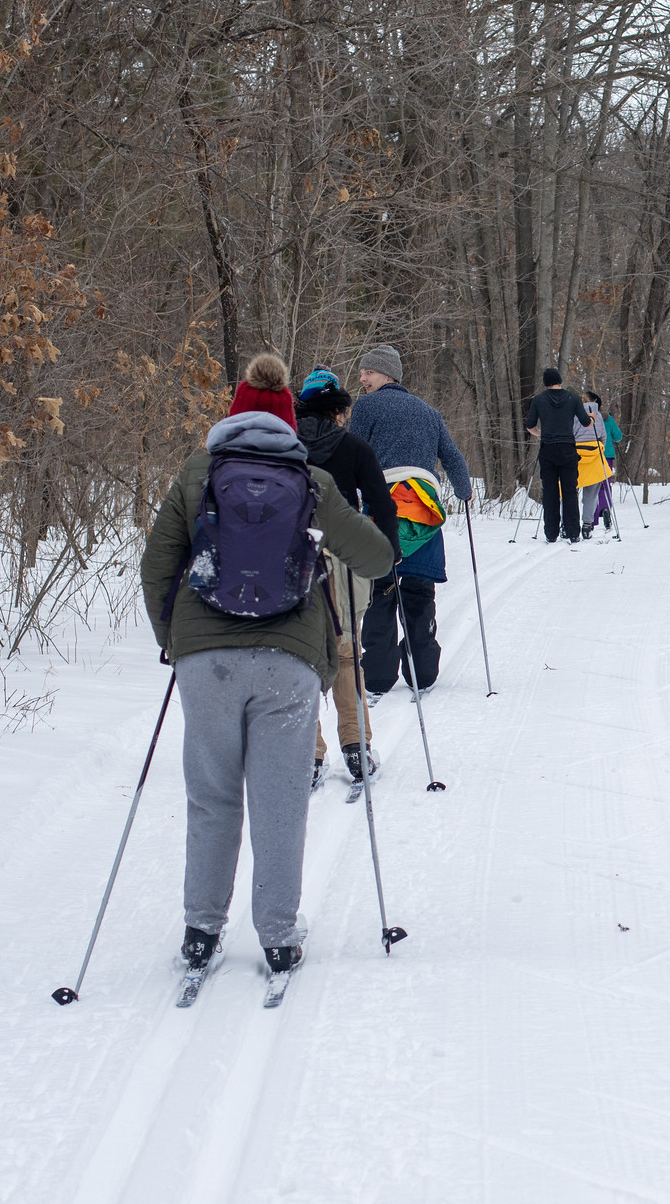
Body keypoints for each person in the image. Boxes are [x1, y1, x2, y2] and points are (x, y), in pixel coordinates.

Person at [140, 353, 396, 980]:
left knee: (213, 798)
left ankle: (202, 933)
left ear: (232, 416)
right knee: (280, 800)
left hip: (207, 662)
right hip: (288, 660)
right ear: (288, 421)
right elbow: (377, 557)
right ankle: (279, 937)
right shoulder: (310, 480)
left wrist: (176, 642)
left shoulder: (197, 473)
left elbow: (157, 566)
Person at [294, 367, 399, 789]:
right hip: (344, 557)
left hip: (293, 558)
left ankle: (309, 753)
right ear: (339, 411)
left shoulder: (284, 448)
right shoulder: (354, 448)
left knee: (298, 653)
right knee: (346, 652)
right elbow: (382, 505)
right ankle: (355, 746)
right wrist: (387, 559)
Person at [348, 344, 473, 700]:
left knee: (380, 592)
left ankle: (377, 677)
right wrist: (464, 491)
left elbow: (355, 453)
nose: (362, 378)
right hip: (423, 515)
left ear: (387, 374)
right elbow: (451, 456)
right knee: (419, 591)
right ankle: (423, 672)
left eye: (368, 372)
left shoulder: (367, 407)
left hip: (382, 511)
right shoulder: (430, 412)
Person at [523, 367, 592, 543]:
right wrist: (593, 419)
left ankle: (551, 533)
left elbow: (530, 425)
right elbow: (585, 423)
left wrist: (540, 433)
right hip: (568, 449)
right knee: (570, 491)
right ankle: (573, 532)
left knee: (550, 492)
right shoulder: (573, 398)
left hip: (548, 449)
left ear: (545, 383)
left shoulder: (538, 400)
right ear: (559, 381)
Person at [583, 391, 623, 533]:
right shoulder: (607, 418)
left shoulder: (582, 417)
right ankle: (605, 508)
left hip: (590, 455)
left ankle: (592, 520)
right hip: (607, 456)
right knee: (605, 486)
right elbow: (618, 437)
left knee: (591, 487)